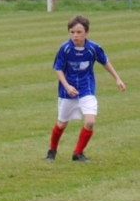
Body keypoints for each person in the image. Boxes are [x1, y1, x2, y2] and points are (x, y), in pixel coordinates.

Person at [45, 15, 125, 163]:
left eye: (79, 32)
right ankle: (52, 150)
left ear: (86, 32)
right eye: (72, 32)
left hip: (86, 89)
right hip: (67, 92)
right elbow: (58, 69)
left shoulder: (93, 48)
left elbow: (105, 62)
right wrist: (67, 86)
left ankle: (78, 153)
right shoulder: (65, 49)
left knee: (90, 122)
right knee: (62, 124)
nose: (75, 35)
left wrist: (117, 78)